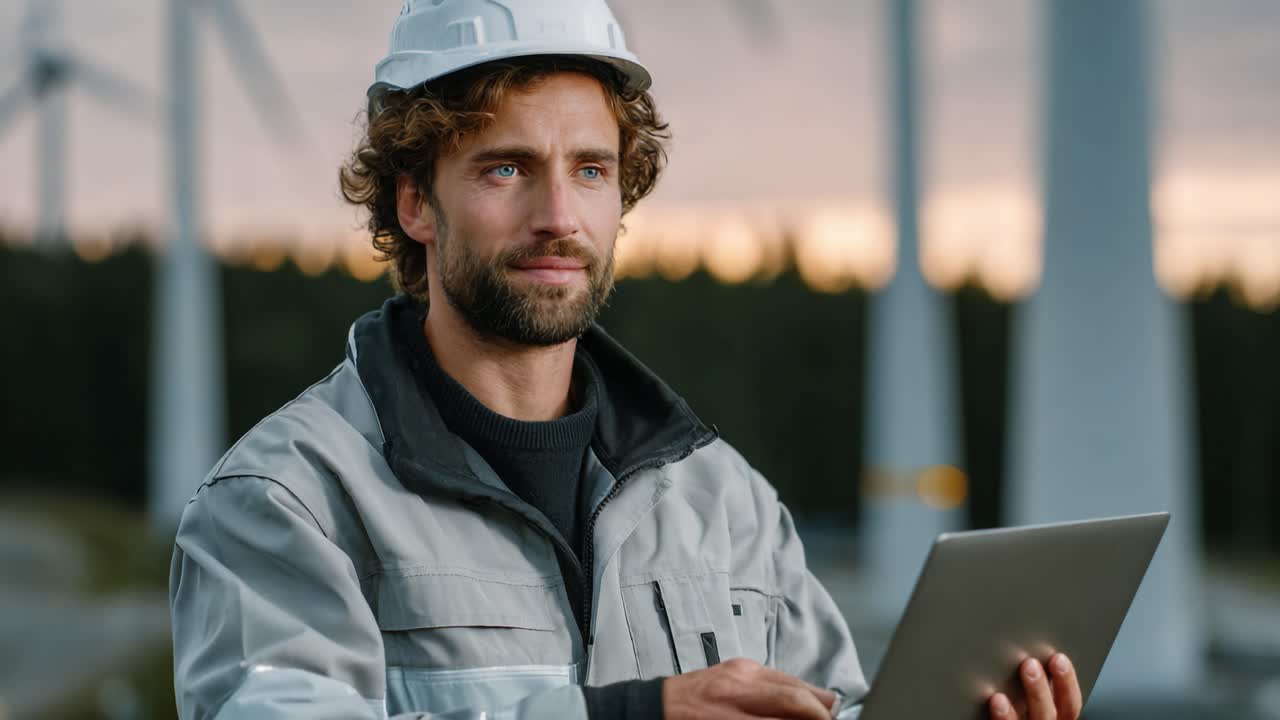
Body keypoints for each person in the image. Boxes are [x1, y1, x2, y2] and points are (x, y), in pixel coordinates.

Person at [169, 1, 1083, 719]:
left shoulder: (727, 507)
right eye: (505, 168)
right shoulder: (285, 504)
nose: (559, 215)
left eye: (592, 170)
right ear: (414, 201)